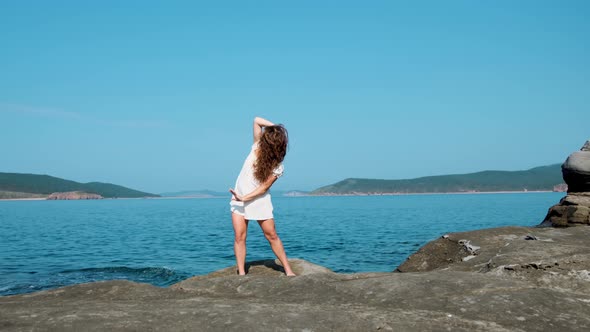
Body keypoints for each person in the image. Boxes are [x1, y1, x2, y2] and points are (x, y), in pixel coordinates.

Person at [229, 117, 296, 276]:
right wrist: (277, 128)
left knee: (271, 235)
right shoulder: (256, 146)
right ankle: (242, 273)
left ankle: (288, 270)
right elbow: (256, 120)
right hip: (238, 197)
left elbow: (264, 187)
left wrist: (244, 198)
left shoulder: (278, 166)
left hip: (258, 200)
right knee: (240, 236)